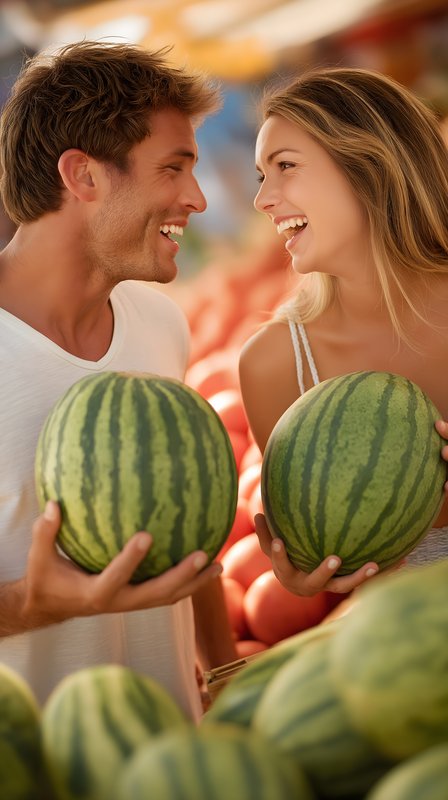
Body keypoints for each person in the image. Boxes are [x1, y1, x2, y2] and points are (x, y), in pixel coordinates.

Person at [0, 40, 237, 719]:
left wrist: (223, 670)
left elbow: (181, 522)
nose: (195, 197)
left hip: (173, 758)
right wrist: (29, 606)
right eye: (173, 168)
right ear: (83, 176)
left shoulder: (161, 324)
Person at [239, 66, 448, 598]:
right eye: (262, 176)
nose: (264, 199)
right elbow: (333, 564)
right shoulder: (274, 364)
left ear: (369, 165)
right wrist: (312, 569)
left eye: (285, 166)